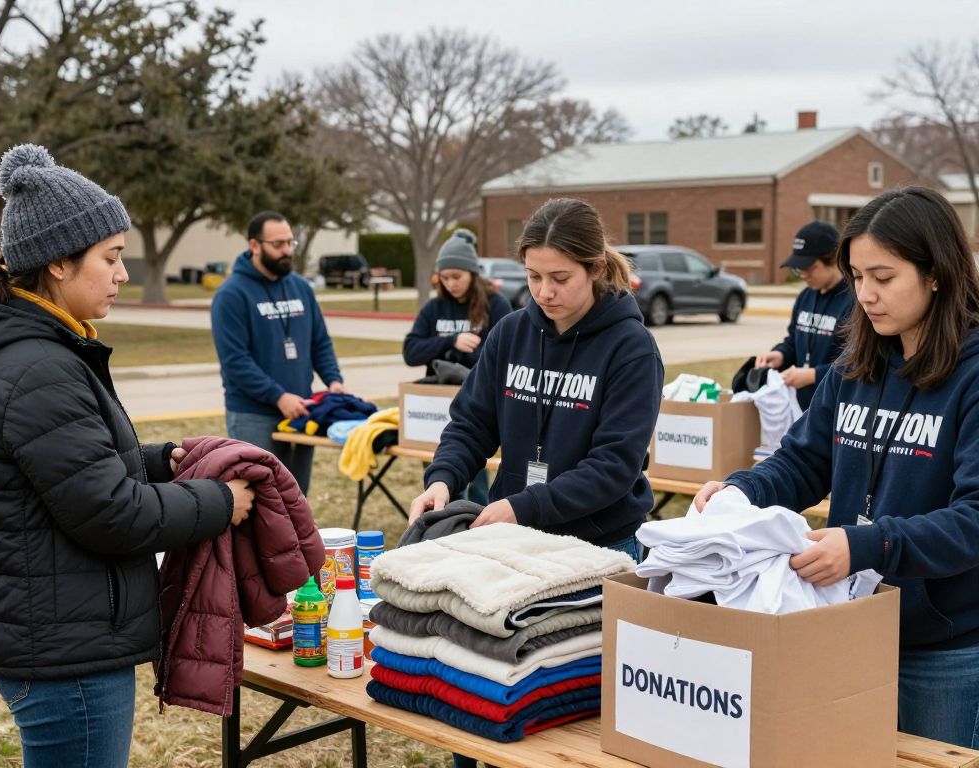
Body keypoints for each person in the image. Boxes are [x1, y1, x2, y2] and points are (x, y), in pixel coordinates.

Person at [0, 144, 255, 767]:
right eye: (111, 258)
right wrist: (221, 501)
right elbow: (112, 514)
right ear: (59, 265)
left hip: (60, 634)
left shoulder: (41, 352)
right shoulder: (38, 368)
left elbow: (70, 472)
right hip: (67, 652)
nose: (122, 274)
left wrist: (158, 460)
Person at [695, 187, 979, 749]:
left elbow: (973, 519)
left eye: (884, 277)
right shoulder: (855, 365)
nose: (866, 296)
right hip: (846, 625)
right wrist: (741, 490)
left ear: (937, 273)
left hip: (942, 648)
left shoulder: (971, 375)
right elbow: (804, 462)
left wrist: (868, 544)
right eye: (856, 277)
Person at [410, 198, 664, 557]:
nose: (545, 291)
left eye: (560, 278)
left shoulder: (632, 348)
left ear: (595, 268)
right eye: (534, 276)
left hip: (599, 544)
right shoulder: (511, 333)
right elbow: (472, 424)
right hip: (514, 536)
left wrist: (523, 506)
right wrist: (443, 478)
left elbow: (613, 466)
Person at [211, 211, 346, 494]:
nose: (287, 251)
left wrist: (334, 380)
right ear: (255, 246)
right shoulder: (231, 295)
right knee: (262, 500)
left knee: (297, 498)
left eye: (290, 243)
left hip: (301, 411)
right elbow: (236, 362)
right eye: (278, 244)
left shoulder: (300, 288)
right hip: (254, 415)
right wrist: (278, 396)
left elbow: (319, 341)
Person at [403, 228, 512, 505]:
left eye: (457, 276)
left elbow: (506, 356)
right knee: (441, 472)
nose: (451, 283)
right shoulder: (434, 309)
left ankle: (476, 520)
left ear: (473, 274)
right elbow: (411, 351)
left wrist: (473, 353)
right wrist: (450, 342)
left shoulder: (495, 305)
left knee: (475, 477)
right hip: (437, 405)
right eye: (445, 277)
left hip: (477, 403)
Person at [754, 220, 854, 410]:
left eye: (809, 267)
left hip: (836, 406)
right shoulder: (805, 297)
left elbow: (856, 363)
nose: (803, 275)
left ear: (832, 259)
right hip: (801, 407)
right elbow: (794, 341)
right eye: (799, 268)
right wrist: (781, 354)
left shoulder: (853, 301)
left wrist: (813, 375)